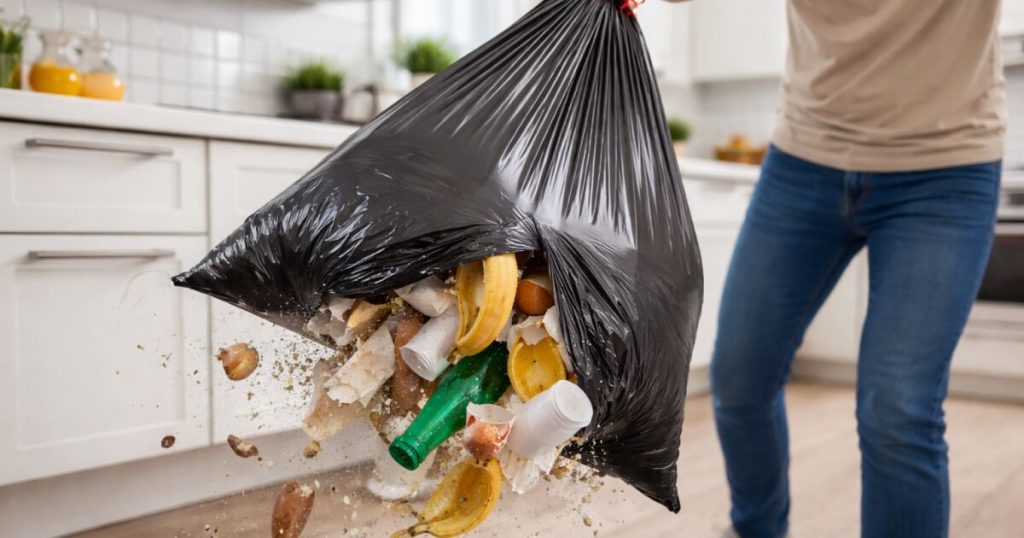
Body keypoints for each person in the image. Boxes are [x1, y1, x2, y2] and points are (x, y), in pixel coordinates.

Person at [669, 0, 1005, 536]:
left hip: (944, 167)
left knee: (897, 409)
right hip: (803, 160)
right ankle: (756, 529)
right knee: (738, 379)